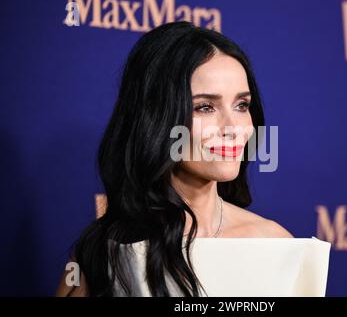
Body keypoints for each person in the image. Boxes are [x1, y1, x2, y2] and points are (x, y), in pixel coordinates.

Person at [55, 21, 293, 297]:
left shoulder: (275, 244)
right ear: (156, 119)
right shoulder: (107, 253)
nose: (234, 128)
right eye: (205, 107)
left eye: (242, 105)